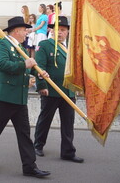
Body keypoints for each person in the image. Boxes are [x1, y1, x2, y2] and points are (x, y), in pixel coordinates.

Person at [0, 16, 50, 179]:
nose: (27, 33)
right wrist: (25, 65)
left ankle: (29, 166)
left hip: (19, 98)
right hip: (4, 97)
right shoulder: (2, 44)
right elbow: (2, 65)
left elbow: (28, 67)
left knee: (24, 134)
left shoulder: (21, 48)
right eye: (25, 30)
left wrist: (39, 73)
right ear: (16, 31)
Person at [34, 16, 84, 163]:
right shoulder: (45, 45)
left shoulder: (70, 48)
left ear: (68, 32)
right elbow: (39, 67)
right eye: (57, 30)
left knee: (68, 122)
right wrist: (41, 86)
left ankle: (68, 151)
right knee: (45, 119)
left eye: (63, 30)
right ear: (51, 30)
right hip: (51, 90)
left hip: (68, 92)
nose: (60, 33)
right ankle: (38, 144)